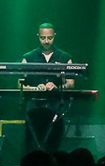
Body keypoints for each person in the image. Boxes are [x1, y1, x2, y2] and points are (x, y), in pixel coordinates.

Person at [16, 21, 74, 155]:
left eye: (50, 38)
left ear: (54, 36)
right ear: (38, 36)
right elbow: (20, 84)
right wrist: (35, 88)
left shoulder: (65, 57)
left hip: (55, 108)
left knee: (54, 142)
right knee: (31, 143)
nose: (46, 41)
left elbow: (71, 83)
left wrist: (57, 86)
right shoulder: (28, 57)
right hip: (34, 108)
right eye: (43, 38)